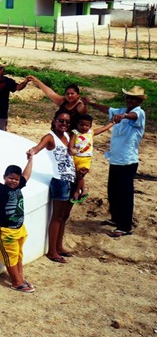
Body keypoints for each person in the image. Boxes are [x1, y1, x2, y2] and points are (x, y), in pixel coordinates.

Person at [84, 86, 147, 238]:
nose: (130, 100)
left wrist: (123, 116)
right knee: (113, 192)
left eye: (133, 98)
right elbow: (107, 109)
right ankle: (117, 218)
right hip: (115, 159)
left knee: (125, 194)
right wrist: (90, 103)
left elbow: (132, 115)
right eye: (128, 97)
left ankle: (125, 226)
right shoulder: (120, 111)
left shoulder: (138, 113)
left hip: (127, 161)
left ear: (139, 101)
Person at [27, 110, 77, 263]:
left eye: (67, 122)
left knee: (64, 216)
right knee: (57, 217)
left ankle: (59, 246)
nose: (63, 124)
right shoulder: (50, 137)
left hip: (71, 179)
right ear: (54, 121)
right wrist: (32, 152)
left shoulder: (68, 136)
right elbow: (38, 147)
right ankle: (52, 251)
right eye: (61, 121)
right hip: (60, 181)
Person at [0, 154, 34, 292]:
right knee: (10, 257)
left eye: (16, 179)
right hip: (6, 231)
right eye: (10, 178)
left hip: (19, 229)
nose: (13, 181)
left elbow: (26, 175)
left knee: (18, 255)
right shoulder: (2, 190)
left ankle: (20, 278)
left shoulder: (19, 185)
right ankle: (16, 283)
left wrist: (30, 159)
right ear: (4, 177)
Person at [68, 114, 113, 202]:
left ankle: (76, 192)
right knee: (78, 176)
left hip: (86, 159)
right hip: (75, 158)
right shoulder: (75, 133)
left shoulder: (91, 133)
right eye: (82, 125)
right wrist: (71, 149)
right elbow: (71, 144)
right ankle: (83, 190)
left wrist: (112, 123)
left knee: (81, 175)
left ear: (90, 126)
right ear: (78, 124)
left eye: (87, 125)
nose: (84, 127)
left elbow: (103, 129)